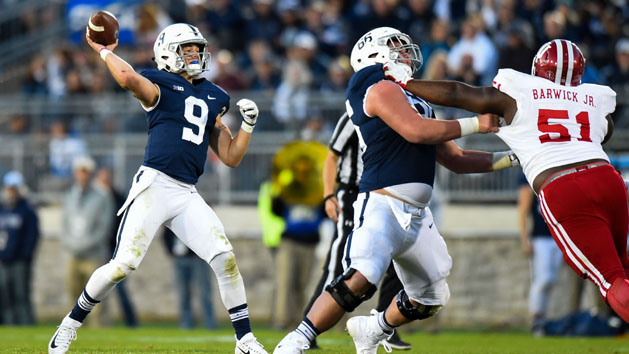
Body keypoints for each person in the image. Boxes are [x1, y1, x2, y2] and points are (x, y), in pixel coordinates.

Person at [274, 26, 516, 354]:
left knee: (432, 297)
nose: (404, 53)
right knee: (362, 276)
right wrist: (476, 124)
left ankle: (375, 328)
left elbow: (455, 159)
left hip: (417, 215)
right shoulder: (375, 86)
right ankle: (297, 340)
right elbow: (415, 131)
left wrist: (513, 159)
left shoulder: (415, 99)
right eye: (396, 46)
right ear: (373, 53)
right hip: (382, 205)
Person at [48, 23, 267, 354]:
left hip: (187, 192)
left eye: (197, 49)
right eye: (187, 49)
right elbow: (128, 79)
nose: (195, 55)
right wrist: (104, 50)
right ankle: (69, 325)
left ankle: (245, 340)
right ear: (168, 53)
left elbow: (230, 157)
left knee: (225, 258)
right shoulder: (160, 83)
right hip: (155, 185)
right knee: (122, 266)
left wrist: (248, 127)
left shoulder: (215, 96)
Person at [384, 39, 629, 324]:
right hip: (608, 179)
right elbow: (604, 132)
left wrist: (407, 83)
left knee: (610, 279)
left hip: (562, 184)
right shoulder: (596, 98)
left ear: (538, 66)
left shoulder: (518, 91)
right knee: (622, 266)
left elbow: (457, 92)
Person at [302, 112, 411, 350]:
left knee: (398, 260)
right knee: (338, 262)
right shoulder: (353, 116)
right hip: (351, 194)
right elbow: (332, 156)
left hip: (383, 196)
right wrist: (329, 195)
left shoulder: (395, 113)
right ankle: (306, 330)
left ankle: (383, 327)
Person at [61, 156, 115, 328]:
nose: (83, 176)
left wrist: (85, 244)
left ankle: (99, 338)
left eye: (86, 172)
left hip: (93, 256)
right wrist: (70, 243)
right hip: (73, 255)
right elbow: (64, 225)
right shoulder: (70, 196)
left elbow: (104, 228)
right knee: (73, 299)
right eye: (80, 172)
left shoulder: (102, 197)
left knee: (95, 301)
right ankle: (74, 339)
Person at [517, 174, 564, 335]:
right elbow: (523, 210)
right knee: (543, 279)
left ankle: (543, 319)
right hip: (540, 238)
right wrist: (525, 239)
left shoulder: (558, 174)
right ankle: (536, 320)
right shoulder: (530, 176)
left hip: (557, 236)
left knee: (551, 280)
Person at [95, 167, 138, 328]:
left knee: (120, 289)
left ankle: (131, 322)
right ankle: (98, 323)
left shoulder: (119, 198)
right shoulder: (95, 198)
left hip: (115, 250)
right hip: (97, 249)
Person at [0, 171, 39, 325]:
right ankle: (9, 327)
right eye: (9, 188)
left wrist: (24, 256)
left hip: (19, 261)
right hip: (3, 261)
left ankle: (26, 325)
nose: (11, 192)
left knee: (21, 295)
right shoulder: (3, 209)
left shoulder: (27, 211)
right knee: (6, 297)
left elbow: (32, 237)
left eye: (14, 188)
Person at [162, 227, 216, 330]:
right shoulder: (172, 216)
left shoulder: (197, 215)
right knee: (183, 292)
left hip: (198, 258)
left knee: (204, 291)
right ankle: (187, 322)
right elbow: (165, 234)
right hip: (179, 258)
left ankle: (209, 322)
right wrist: (170, 251)